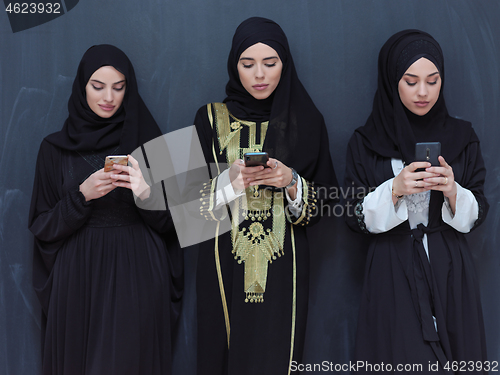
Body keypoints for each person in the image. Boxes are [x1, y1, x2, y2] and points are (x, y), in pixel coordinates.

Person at [192, 17, 338, 375]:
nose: (259, 74)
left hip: (284, 267)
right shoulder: (208, 119)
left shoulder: (306, 119)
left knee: (279, 357)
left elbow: (325, 204)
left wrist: (291, 182)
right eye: (247, 64)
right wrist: (229, 182)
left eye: (270, 64)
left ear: (284, 66)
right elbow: (182, 208)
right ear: (234, 65)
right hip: (220, 266)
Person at [28, 44, 182, 375]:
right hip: (78, 277)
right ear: (82, 86)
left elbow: (173, 224)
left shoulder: (152, 143)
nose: (109, 97)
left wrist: (143, 191)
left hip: (137, 274)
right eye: (98, 86)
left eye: (119, 87)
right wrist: (81, 196)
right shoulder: (54, 150)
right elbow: (41, 225)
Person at [344, 30, 489, 373]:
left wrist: (453, 191)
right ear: (392, 80)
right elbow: (351, 214)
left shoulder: (463, 137)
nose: (423, 92)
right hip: (392, 265)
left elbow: (480, 208)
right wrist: (394, 189)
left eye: (433, 80)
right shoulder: (366, 142)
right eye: (410, 81)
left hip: (449, 264)